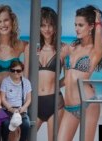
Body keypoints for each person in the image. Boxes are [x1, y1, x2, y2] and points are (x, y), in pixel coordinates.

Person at [58, 5, 102, 141]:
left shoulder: (95, 51)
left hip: (88, 104)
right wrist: (55, 85)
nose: (76, 28)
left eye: (80, 25)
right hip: (69, 107)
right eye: (75, 25)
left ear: (91, 26)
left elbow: (99, 34)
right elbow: (69, 77)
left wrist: (98, 21)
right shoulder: (72, 48)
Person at [36, 7, 65, 141]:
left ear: (55, 26)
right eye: (43, 25)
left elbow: (70, 76)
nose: (47, 29)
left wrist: (57, 84)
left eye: (50, 25)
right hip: (35, 102)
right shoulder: (32, 48)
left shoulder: (63, 49)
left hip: (55, 103)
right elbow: (25, 77)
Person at [0, 60, 32, 141]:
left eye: (18, 71)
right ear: (10, 71)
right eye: (13, 70)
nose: (15, 73)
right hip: (8, 109)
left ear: (22, 71)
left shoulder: (26, 82)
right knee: (6, 124)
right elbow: (2, 98)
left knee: (26, 124)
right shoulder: (5, 81)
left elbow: (29, 99)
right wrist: (11, 109)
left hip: (21, 110)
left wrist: (22, 109)